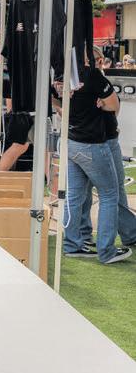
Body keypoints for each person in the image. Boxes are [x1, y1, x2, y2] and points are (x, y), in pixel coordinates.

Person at [61, 48, 136, 263]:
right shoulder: (92, 75)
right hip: (94, 142)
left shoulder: (62, 74)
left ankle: (74, 243)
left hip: (74, 140)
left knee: (75, 196)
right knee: (111, 194)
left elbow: (55, 103)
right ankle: (107, 250)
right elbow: (114, 105)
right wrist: (103, 104)